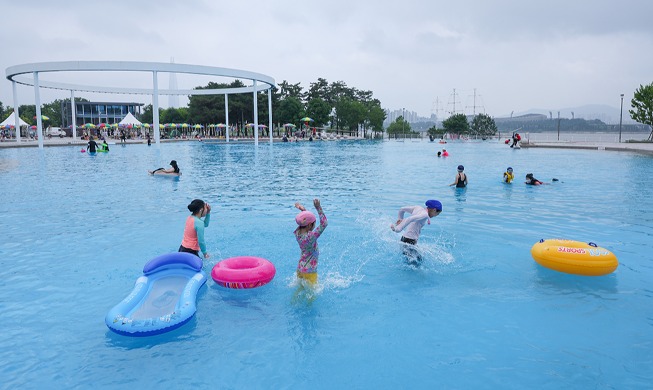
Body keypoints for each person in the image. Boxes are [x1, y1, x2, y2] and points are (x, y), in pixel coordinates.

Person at [293, 199, 328, 287]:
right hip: (310, 273)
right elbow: (324, 224)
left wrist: (303, 210)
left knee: (299, 290)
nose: (315, 225)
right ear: (309, 225)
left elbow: (303, 221)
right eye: (314, 223)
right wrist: (318, 207)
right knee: (311, 295)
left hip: (300, 269)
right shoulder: (311, 237)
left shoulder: (297, 233)